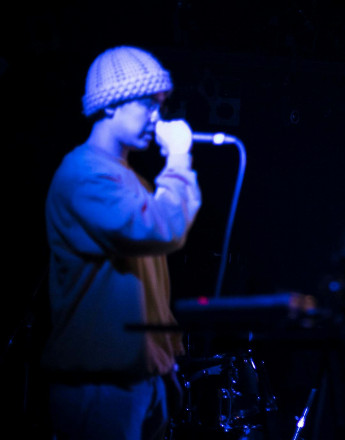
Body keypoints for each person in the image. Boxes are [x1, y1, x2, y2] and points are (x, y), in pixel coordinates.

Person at [41, 45, 202, 440]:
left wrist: (164, 360)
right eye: (148, 103)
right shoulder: (84, 175)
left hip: (139, 378)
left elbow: (148, 285)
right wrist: (178, 160)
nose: (157, 117)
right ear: (111, 104)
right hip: (100, 385)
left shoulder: (131, 178)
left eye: (161, 104)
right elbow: (162, 228)